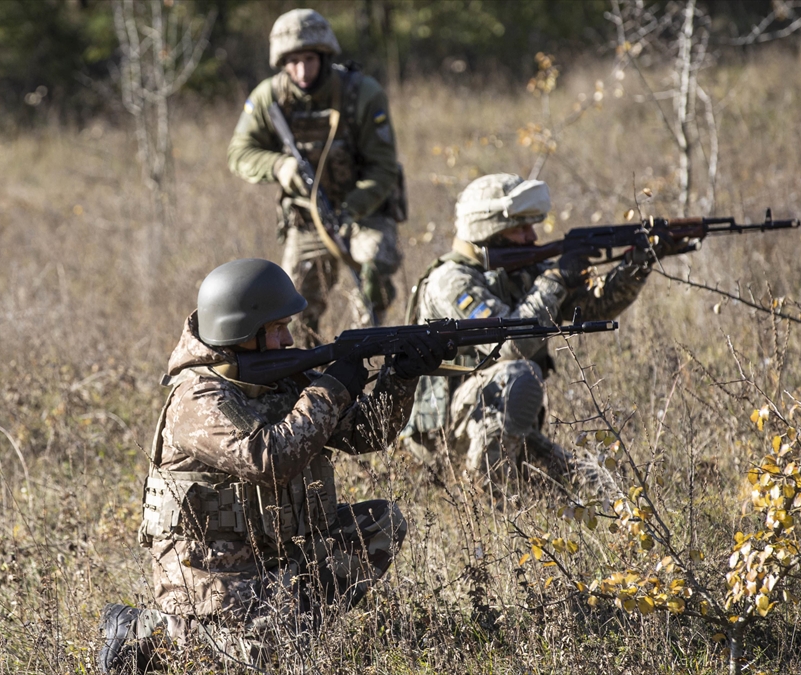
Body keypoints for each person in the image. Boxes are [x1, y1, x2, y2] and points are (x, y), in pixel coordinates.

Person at [96, 258, 447, 672]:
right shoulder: (198, 398)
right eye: (277, 329)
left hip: (276, 553)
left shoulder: (283, 380)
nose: (288, 339)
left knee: (380, 524)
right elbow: (269, 458)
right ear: (240, 331)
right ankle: (148, 633)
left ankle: (293, 628)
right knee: (263, 656)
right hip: (213, 570)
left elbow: (364, 435)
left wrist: (401, 378)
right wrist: (331, 390)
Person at [400, 173, 673, 492]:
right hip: (444, 437)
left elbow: (593, 308)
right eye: (520, 229)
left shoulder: (519, 272)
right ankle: (485, 493)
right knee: (517, 373)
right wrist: (555, 281)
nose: (532, 236)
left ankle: (506, 476)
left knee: (602, 488)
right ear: (488, 229)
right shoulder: (451, 281)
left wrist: (638, 264)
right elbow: (510, 347)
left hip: (503, 427)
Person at [228, 8, 405, 343]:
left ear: (324, 55)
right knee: (288, 306)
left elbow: (383, 168)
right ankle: (307, 366)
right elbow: (239, 153)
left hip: (364, 212)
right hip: (308, 217)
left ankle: (367, 350)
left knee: (373, 275)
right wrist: (278, 166)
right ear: (281, 62)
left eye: (309, 59)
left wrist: (351, 209)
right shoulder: (269, 97)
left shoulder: (363, 93)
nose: (301, 70)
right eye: (293, 61)